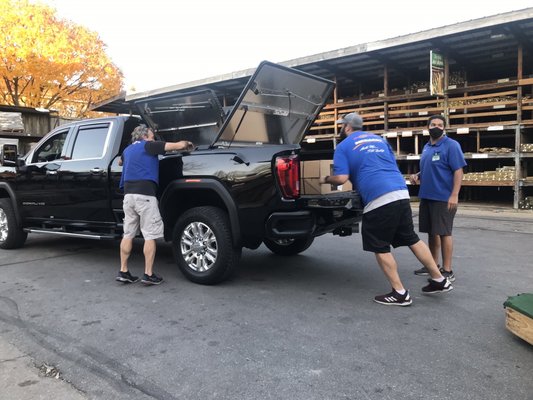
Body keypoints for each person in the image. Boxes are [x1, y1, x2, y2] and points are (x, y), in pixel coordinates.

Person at [321, 112, 452, 306]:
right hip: (400, 192)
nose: (341, 129)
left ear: (347, 127)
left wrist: (325, 180)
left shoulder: (343, 146)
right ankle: (439, 279)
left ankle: (399, 293)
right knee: (411, 238)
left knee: (379, 246)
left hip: (378, 198)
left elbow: (341, 178)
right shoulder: (379, 140)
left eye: (342, 126)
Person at [116, 124, 194, 285]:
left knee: (128, 234)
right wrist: (187, 144)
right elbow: (176, 146)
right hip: (145, 196)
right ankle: (148, 274)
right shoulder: (149, 146)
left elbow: (119, 162)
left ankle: (123, 271)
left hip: (128, 196)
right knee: (149, 235)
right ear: (144, 136)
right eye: (152, 135)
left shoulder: (127, 150)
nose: (153, 138)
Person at [410, 115, 466, 282]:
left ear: (444, 128)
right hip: (427, 196)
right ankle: (432, 265)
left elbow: (458, 170)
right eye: (433, 124)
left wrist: (454, 194)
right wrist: (418, 175)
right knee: (431, 232)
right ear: (428, 127)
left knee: (444, 233)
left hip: (443, 197)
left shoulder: (451, 145)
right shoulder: (427, 146)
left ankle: (447, 269)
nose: (436, 127)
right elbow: (434, 166)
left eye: (440, 125)